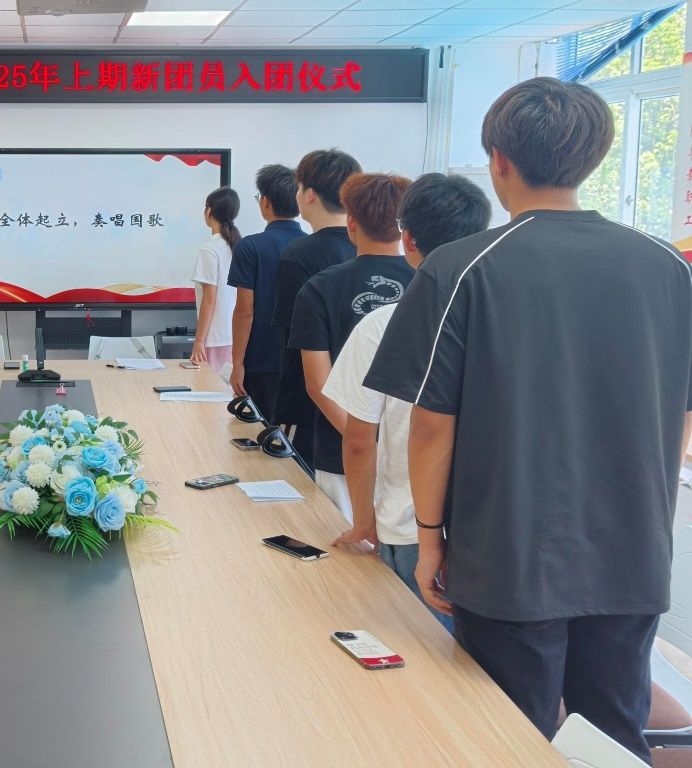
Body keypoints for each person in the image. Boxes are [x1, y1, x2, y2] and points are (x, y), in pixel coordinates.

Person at [364, 78, 692, 762]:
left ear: (498, 159)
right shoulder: (667, 267)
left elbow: (431, 426)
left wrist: (429, 539)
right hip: (631, 551)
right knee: (613, 732)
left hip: (507, 554)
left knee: (509, 735)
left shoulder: (459, 268)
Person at [323, 173, 492, 630]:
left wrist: (363, 520)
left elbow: (360, 439)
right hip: (488, 529)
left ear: (409, 240)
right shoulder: (503, 320)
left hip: (409, 524)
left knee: (418, 655)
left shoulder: (383, 324)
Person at [289, 173, 413, 521]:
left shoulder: (319, 288)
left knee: (345, 547)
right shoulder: (430, 284)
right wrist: (389, 446)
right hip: (413, 457)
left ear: (351, 223)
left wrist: (364, 439)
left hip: (339, 452)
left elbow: (317, 383)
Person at [269, 150, 362, 466]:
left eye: (298, 187)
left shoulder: (299, 254)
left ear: (309, 195)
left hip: (310, 408)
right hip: (364, 407)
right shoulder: (368, 249)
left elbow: (289, 338)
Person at [227, 164, 306, 417]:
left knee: (257, 430)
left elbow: (244, 310)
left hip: (260, 359)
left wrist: (237, 363)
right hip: (304, 360)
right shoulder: (311, 245)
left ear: (265, 202)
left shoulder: (250, 247)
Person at [189, 187, 241, 370]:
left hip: (214, 338)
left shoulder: (209, 249)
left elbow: (209, 299)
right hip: (236, 336)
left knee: (209, 386)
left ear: (209, 211)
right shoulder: (238, 246)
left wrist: (199, 341)